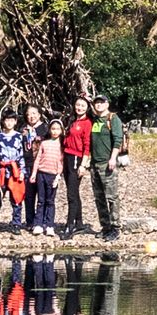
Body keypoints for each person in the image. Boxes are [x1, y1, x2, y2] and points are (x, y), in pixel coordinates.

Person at [87, 95, 129, 243]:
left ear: (107, 104)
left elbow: (117, 139)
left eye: (101, 102)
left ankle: (116, 227)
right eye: (96, 103)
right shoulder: (94, 120)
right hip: (94, 164)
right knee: (99, 197)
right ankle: (105, 227)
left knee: (112, 196)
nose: (99, 105)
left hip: (108, 163)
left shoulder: (113, 119)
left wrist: (113, 158)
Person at [0, 110, 26, 236]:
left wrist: (22, 171)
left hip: (14, 171)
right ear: (3, 121)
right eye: (7, 120)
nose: (9, 123)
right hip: (2, 170)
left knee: (16, 198)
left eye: (12, 120)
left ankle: (16, 224)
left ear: (15, 122)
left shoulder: (19, 137)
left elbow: (21, 155)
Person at [60, 99, 93, 235]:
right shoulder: (72, 120)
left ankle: (70, 224)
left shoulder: (87, 123)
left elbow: (87, 145)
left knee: (71, 194)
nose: (79, 107)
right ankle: (79, 222)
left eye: (82, 105)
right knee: (73, 191)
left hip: (77, 158)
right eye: (78, 105)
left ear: (87, 108)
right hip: (67, 156)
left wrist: (83, 165)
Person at [28, 116, 63, 236]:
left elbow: (61, 162)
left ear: (61, 131)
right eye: (53, 129)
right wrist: (33, 174)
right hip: (41, 174)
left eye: (58, 129)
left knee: (50, 201)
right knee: (41, 200)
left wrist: (58, 175)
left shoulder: (61, 145)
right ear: (49, 130)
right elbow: (37, 159)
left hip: (53, 175)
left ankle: (49, 225)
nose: (55, 131)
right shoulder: (44, 143)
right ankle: (38, 224)